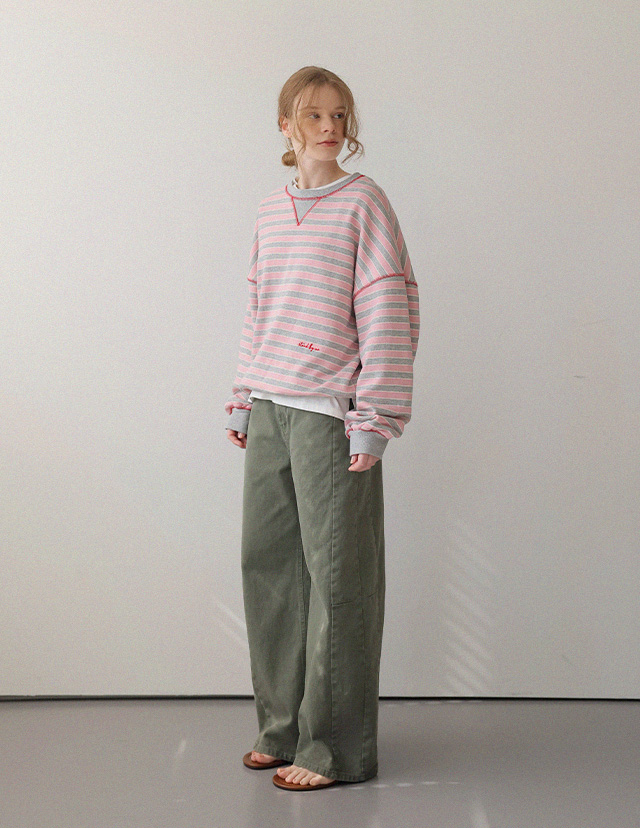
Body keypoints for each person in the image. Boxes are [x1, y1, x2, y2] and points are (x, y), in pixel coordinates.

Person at [225, 66, 420, 790]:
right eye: (313, 115)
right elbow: (259, 308)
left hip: (330, 413)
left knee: (338, 579)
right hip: (270, 406)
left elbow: (391, 310)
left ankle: (333, 748)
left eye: (339, 115)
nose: (330, 127)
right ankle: (282, 729)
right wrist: (243, 396)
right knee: (269, 569)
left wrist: (376, 419)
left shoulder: (364, 202)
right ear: (286, 124)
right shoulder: (270, 212)